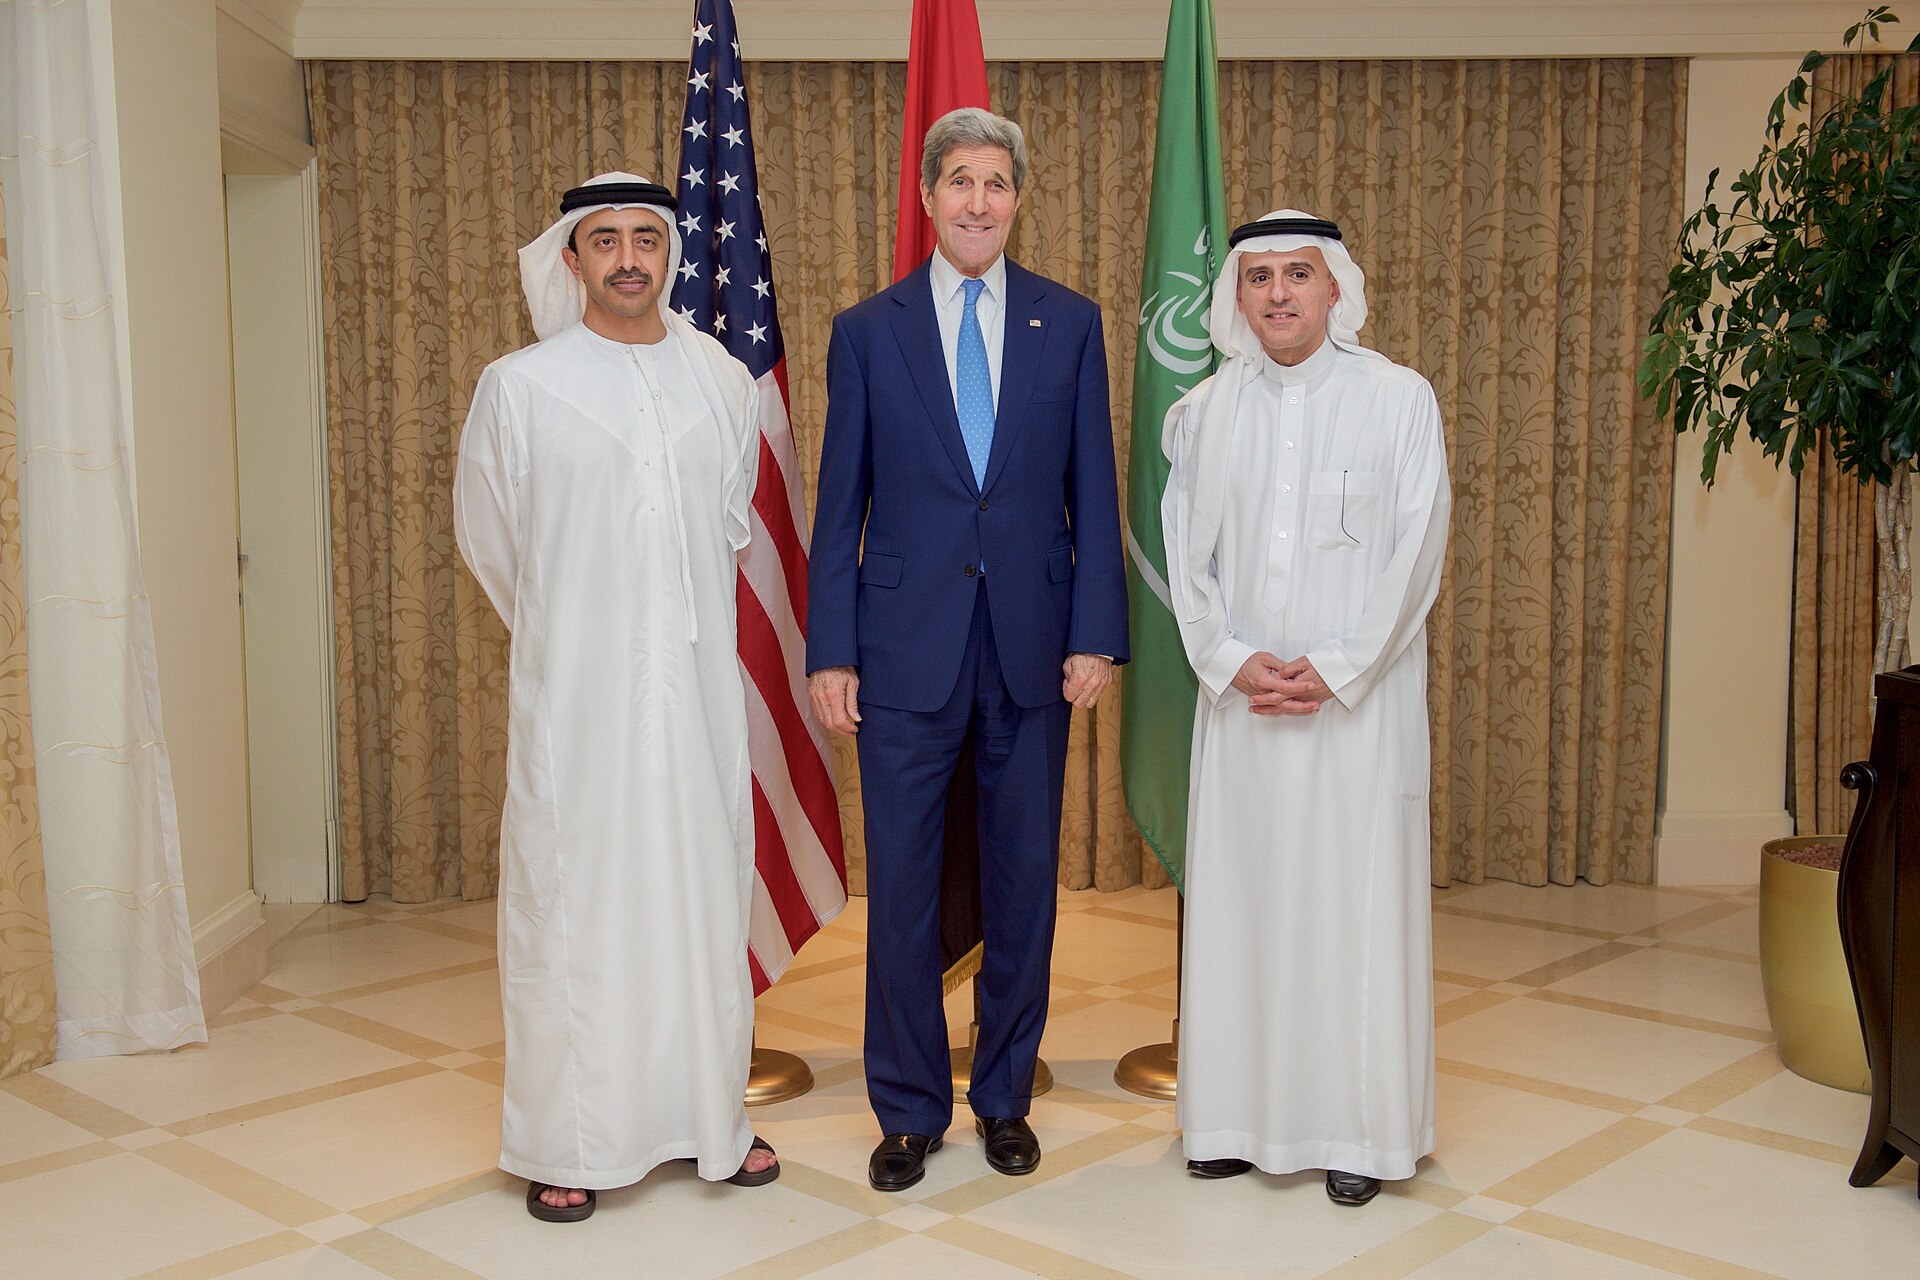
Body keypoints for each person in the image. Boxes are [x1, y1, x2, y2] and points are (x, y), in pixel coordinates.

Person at [807, 108, 1129, 1192]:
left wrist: (1096, 637)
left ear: (1018, 198)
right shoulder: (867, 330)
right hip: (900, 654)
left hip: (1035, 654)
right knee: (897, 886)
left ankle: (1003, 1096)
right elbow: (838, 506)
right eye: (960, 182)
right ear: (928, 197)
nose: (979, 201)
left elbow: (1095, 492)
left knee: (1023, 884)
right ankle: (907, 1107)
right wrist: (830, 650)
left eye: (998, 183)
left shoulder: (1070, 324)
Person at [453, 172, 778, 1222]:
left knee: (696, 892)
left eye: (647, 236)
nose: (630, 256)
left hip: (694, 702)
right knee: (577, 908)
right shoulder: (521, 384)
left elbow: (726, 529)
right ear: (573, 255)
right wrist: (578, 637)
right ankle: (571, 1138)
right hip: (579, 704)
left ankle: (708, 1119)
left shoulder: (720, 378)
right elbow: (495, 544)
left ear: (668, 251)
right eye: (607, 240)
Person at [1161, 211, 1452, 1205]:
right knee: (1242, 909)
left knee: (1349, 910)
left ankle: (1359, 1132)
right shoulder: (1204, 412)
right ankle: (1231, 1120)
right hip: (1243, 707)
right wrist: (1235, 660)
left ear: (1337, 289)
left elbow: (1418, 550)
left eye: (1298, 273)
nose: (1278, 293)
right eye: (1259, 277)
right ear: (1235, 296)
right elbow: (1182, 561)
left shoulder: (1397, 399)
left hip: (1354, 714)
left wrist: (1335, 666)